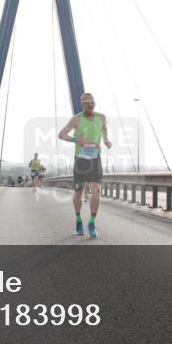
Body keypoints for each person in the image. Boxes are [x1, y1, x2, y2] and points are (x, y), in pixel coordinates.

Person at [58, 92, 111, 238]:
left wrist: (106, 140)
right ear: (82, 104)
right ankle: (78, 219)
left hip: (95, 158)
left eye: (92, 103)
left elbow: (105, 130)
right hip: (80, 160)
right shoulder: (76, 119)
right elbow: (61, 134)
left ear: (95, 103)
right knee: (78, 193)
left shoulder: (101, 117)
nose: (90, 105)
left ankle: (92, 223)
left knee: (97, 189)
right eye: (87, 103)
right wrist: (76, 140)